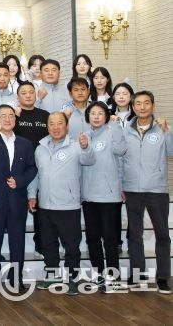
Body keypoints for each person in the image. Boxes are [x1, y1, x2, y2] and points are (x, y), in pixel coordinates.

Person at [29, 112, 94, 295]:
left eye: (60, 123)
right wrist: (32, 195)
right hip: (45, 205)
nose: (56, 127)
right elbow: (36, 174)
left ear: (67, 126)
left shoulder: (76, 147)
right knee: (48, 244)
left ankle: (73, 279)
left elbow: (89, 160)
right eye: (52, 123)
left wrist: (86, 147)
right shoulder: (40, 148)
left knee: (71, 245)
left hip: (68, 206)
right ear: (47, 126)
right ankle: (52, 276)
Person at [0, 104, 37, 294]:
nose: (7, 119)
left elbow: (32, 168)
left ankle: (16, 279)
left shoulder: (25, 143)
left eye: (11, 115)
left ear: (16, 119)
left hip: (17, 201)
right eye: (3, 115)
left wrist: (20, 181)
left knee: (17, 243)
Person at [121, 91, 172, 294]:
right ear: (133, 107)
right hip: (132, 189)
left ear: (153, 105)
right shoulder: (126, 130)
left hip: (157, 189)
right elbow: (120, 159)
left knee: (162, 235)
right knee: (134, 234)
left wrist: (167, 130)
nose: (142, 107)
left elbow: (171, 151)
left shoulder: (161, 128)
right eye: (138, 104)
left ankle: (163, 278)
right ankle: (137, 275)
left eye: (146, 103)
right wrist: (121, 185)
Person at [81, 102, 126, 291]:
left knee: (110, 238)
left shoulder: (112, 131)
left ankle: (113, 275)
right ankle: (98, 273)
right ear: (88, 116)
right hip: (89, 196)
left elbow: (121, 151)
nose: (96, 116)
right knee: (92, 237)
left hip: (109, 195)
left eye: (100, 113)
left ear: (106, 116)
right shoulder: (84, 136)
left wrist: (115, 126)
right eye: (93, 113)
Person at [13, 81, 49, 255]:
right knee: (19, 208)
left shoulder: (45, 115)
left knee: (40, 209)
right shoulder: (14, 116)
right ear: (18, 96)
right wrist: (15, 117)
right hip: (20, 170)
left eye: (31, 92)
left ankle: (40, 244)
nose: (28, 95)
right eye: (24, 92)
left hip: (42, 168)